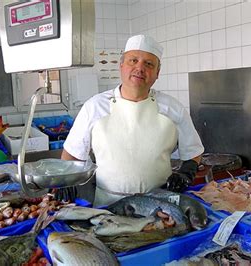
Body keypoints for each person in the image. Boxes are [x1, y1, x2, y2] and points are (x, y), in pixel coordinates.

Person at [61, 34, 204, 206]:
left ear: (157, 73)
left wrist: (185, 173)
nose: (140, 68)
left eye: (149, 64)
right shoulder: (94, 107)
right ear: (121, 65)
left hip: (160, 203)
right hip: (107, 206)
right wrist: (66, 181)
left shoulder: (173, 109)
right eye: (133, 60)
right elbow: (71, 154)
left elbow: (194, 152)